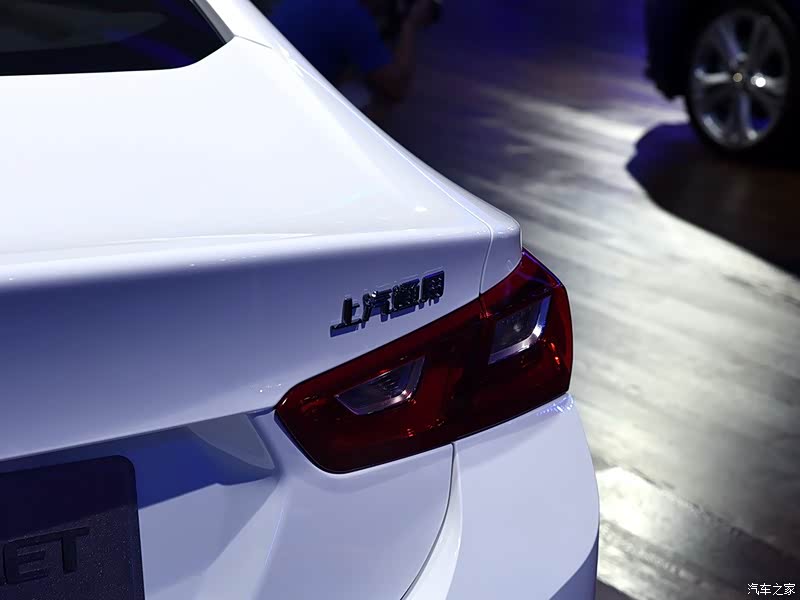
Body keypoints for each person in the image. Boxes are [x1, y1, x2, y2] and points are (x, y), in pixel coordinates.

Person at [269, 0, 436, 120]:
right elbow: (397, 86)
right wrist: (410, 25)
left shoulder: (341, 9)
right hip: (293, 104)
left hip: (272, 78)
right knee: (380, 99)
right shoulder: (351, 16)